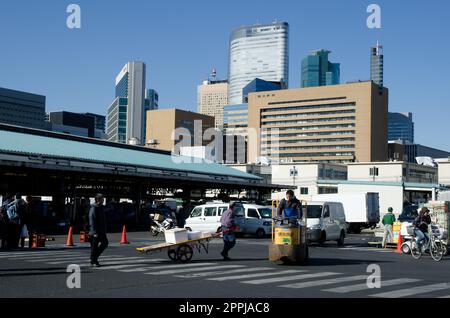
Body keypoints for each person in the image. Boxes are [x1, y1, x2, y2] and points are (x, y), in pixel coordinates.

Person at [89, 194, 109, 267]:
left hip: (102, 231)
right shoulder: (94, 208)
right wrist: (94, 232)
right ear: (98, 199)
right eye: (102, 199)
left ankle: (93, 258)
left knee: (105, 243)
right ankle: (94, 260)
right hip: (95, 232)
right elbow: (92, 220)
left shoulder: (101, 207)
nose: (103, 200)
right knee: (94, 247)